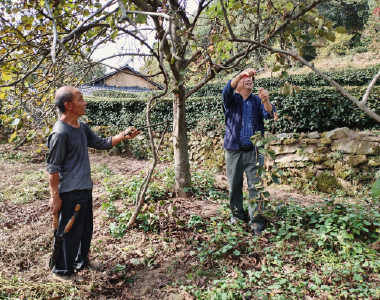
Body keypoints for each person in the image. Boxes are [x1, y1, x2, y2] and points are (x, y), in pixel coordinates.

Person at [47, 86, 140, 282]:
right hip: (69, 191)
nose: (85, 102)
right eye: (80, 99)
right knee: (69, 231)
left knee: (84, 229)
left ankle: (81, 261)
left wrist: (124, 135)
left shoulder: (81, 127)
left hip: (84, 187)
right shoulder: (60, 133)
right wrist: (55, 197)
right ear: (69, 105)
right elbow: (53, 169)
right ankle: (62, 271)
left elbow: (102, 143)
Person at [222, 68, 276, 236]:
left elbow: (271, 114)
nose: (249, 79)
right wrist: (241, 73)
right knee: (234, 186)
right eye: (245, 78)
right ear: (237, 83)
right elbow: (226, 89)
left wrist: (266, 101)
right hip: (233, 151)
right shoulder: (231, 99)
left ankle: (256, 223)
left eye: (251, 78)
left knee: (256, 187)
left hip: (254, 151)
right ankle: (236, 218)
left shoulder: (256, 100)